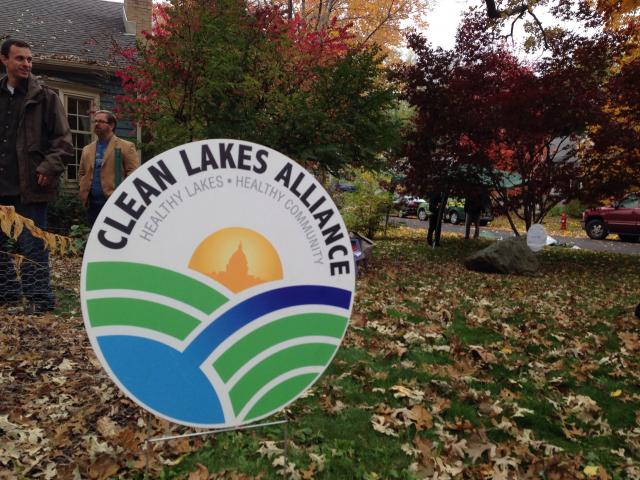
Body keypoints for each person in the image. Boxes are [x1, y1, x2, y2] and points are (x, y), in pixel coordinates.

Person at [0, 39, 73, 313]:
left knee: (32, 245)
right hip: (1, 186)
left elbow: (64, 142)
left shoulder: (46, 98)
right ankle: (6, 294)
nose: (26, 64)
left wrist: (48, 167)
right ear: (4, 60)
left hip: (30, 186)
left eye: (29, 59)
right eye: (20, 59)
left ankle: (40, 300)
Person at [78, 110, 139, 225]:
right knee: (93, 238)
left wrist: (121, 194)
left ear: (111, 125)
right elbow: (82, 173)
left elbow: (133, 173)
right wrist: (83, 188)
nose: (97, 124)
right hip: (92, 204)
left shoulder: (126, 146)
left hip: (115, 203)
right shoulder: (87, 149)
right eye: (95, 121)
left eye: (101, 121)